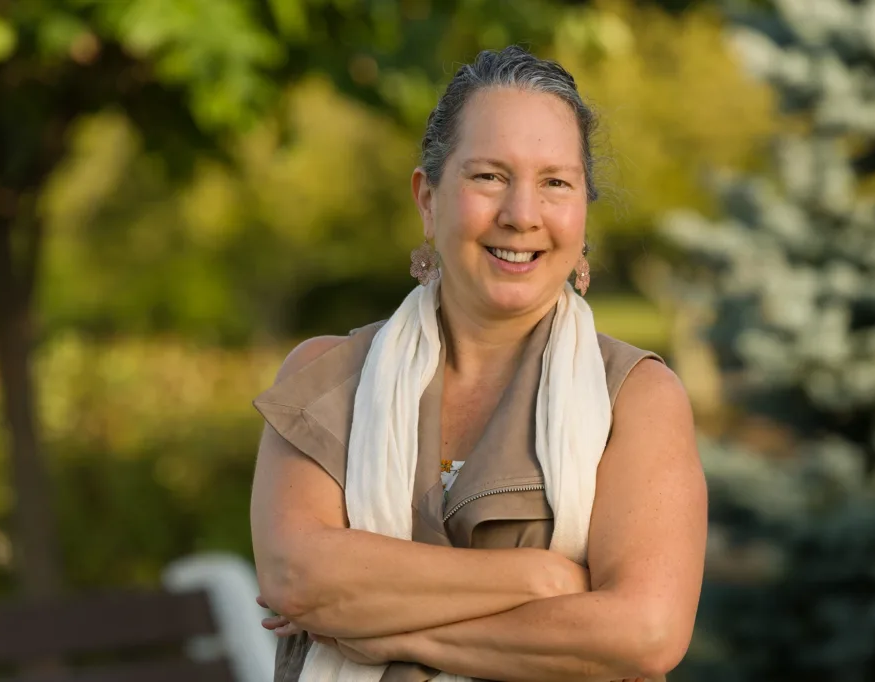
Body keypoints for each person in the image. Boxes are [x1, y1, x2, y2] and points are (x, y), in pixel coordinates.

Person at [249, 45, 707, 682]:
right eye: (489, 176)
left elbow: (645, 633)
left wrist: (379, 631)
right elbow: (296, 576)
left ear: (582, 213)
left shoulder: (635, 397)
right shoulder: (325, 379)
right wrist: (541, 578)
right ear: (428, 199)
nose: (521, 215)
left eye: (555, 182)